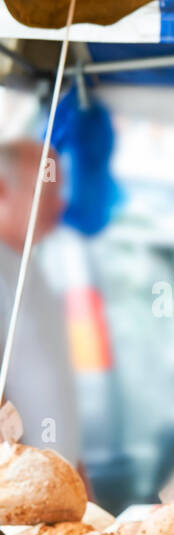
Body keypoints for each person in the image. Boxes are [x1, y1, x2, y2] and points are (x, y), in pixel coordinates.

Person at [0, 139, 82, 466]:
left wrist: (75, 474)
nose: (59, 206)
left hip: (55, 481)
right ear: (2, 191)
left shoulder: (29, 266)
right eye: (46, 192)